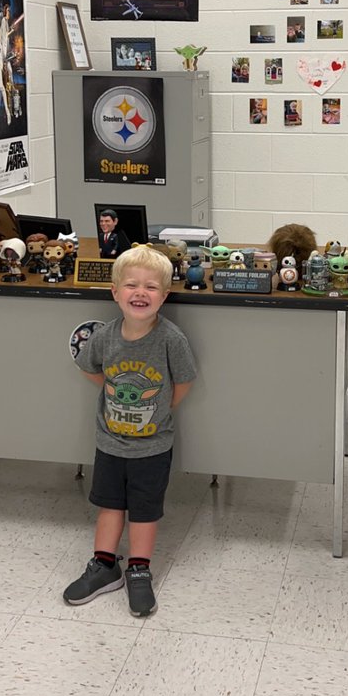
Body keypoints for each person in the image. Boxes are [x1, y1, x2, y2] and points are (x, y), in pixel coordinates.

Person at [64, 245, 196, 617]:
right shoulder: (105, 336)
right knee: (109, 505)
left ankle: (139, 569)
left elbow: (184, 382)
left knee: (143, 510)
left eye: (151, 287)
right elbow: (90, 368)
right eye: (132, 285)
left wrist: (160, 408)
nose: (141, 293)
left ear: (165, 296)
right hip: (109, 442)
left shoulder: (172, 339)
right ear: (115, 292)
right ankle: (105, 566)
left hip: (153, 447)